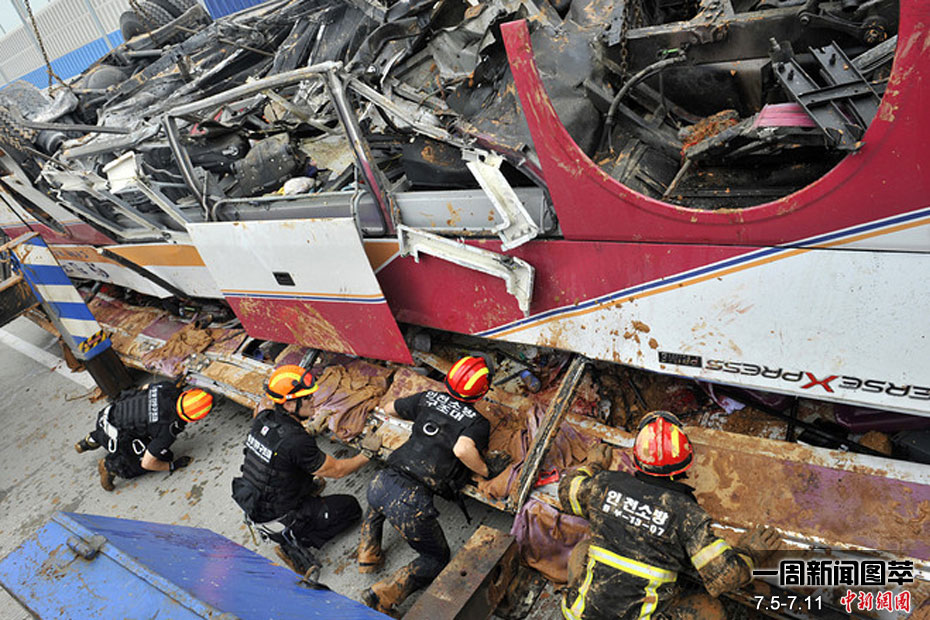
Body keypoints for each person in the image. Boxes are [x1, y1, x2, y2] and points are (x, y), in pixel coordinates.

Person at [559, 411, 781, 620]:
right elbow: (726, 577)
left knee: (583, 549)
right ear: (686, 464)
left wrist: (594, 465)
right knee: (709, 610)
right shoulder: (686, 514)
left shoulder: (605, 484)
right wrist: (751, 552)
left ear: (636, 459)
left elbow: (568, 492)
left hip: (579, 615)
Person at [358, 355, 511, 615]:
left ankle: (367, 554)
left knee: (377, 503)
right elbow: (463, 450)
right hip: (410, 503)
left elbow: (390, 408)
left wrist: (426, 425)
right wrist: (485, 470)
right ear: (482, 391)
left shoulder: (429, 397)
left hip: (382, 480)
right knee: (436, 559)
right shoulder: (477, 422)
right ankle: (382, 595)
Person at [231, 364, 370, 579]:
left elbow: (278, 435)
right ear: (288, 404)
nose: (313, 400)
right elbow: (337, 470)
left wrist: (310, 429)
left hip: (258, 502)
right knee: (350, 508)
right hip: (279, 518)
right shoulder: (295, 441)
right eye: (306, 398)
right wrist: (366, 455)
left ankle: (296, 512)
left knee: (302, 475)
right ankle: (292, 544)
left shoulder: (264, 417)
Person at [75, 381, 213, 491]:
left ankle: (89, 441)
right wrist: (171, 466)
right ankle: (110, 466)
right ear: (193, 419)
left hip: (107, 413)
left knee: (131, 421)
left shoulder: (168, 387)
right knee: (163, 457)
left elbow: (144, 388)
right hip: (112, 435)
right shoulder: (167, 431)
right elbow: (147, 463)